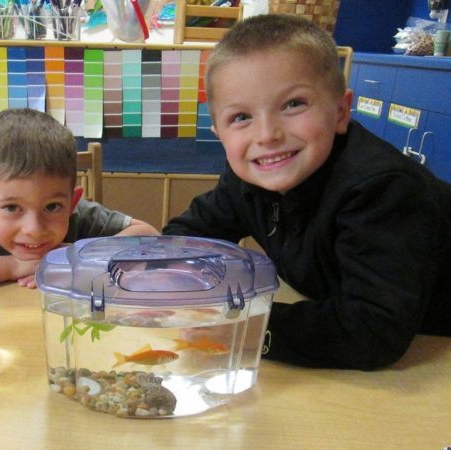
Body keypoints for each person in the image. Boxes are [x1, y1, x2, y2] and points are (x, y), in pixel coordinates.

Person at [163, 14, 451, 370]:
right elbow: (187, 237)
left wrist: (239, 325)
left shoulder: (382, 190)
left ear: (340, 112)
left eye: (293, 105)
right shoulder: (247, 180)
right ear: (219, 132)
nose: (267, 134)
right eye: (240, 118)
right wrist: (163, 278)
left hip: (433, 347)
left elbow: (373, 333)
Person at [0, 108, 159, 287]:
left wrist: (79, 256)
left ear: (72, 202)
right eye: (12, 208)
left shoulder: (79, 213)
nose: (34, 229)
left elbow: (149, 237)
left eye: (51, 207)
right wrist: (14, 266)